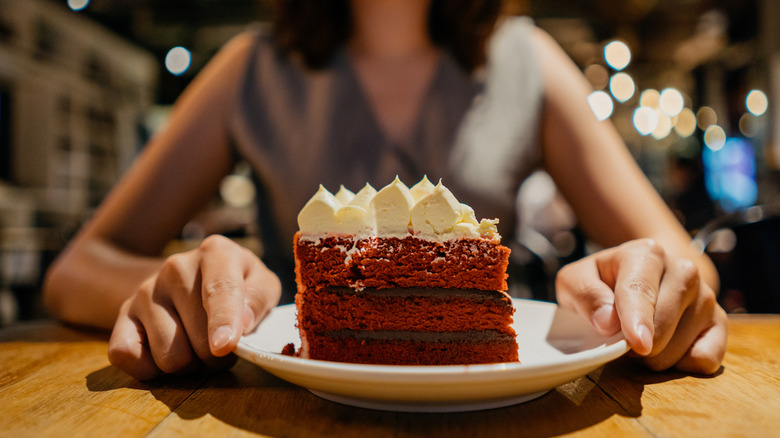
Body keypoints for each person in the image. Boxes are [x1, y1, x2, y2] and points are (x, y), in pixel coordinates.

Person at [43, 0, 727, 381]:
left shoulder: (527, 61)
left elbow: (680, 265)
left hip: (499, 403)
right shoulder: (252, 69)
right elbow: (77, 270)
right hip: (300, 404)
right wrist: (188, 291)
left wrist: (653, 289)